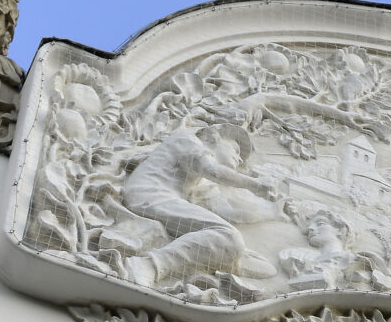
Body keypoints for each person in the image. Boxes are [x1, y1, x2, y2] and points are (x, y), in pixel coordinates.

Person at [117, 122, 280, 290]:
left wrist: (273, 212)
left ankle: (222, 258)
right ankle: (147, 265)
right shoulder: (187, 140)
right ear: (215, 137)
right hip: (149, 193)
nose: (238, 159)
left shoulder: (203, 183)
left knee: (232, 241)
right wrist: (256, 185)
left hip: (161, 199)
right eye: (235, 150)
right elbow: (214, 171)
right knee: (228, 236)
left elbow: (225, 214)